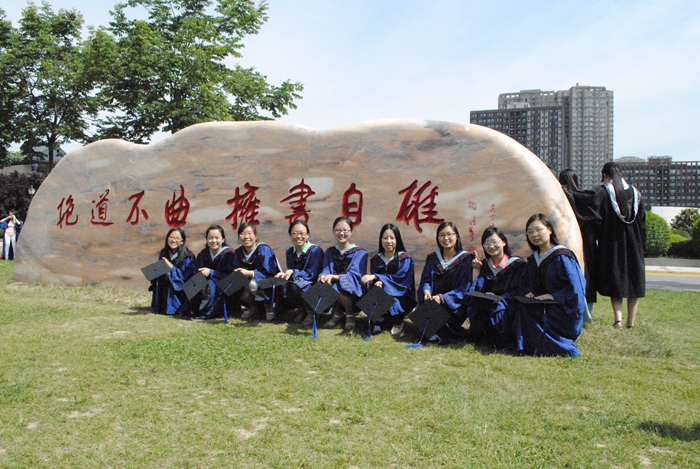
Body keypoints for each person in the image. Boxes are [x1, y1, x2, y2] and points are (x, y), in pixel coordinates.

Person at [518, 214, 586, 357]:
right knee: (522, 308)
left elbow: (575, 288)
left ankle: (561, 347)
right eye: (530, 232)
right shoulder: (533, 259)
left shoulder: (562, 255)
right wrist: (530, 292)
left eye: (538, 230)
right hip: (540, 304)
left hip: (561, 308)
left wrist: (553, 296)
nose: (534, 235)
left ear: (549, 229)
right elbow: (527, 283)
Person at [593, 162, 646, 329]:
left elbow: (596, 218)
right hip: (634, 244)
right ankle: (631, 322)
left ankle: (618, 320)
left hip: (612, 245)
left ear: (605, 175)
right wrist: (643, 246)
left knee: (616, 280)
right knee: (634, 281)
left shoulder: (603, 192)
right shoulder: (636, 193)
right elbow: (642, 223)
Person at [467, 227, 526, 346]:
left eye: (494, 242)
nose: (491, 246)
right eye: (487, 243)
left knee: (500, 308)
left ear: (503, 242)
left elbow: (518, 289)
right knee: (476, 305)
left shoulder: (516, 265)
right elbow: (477, 288)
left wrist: (499, 298)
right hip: (487, 301)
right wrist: (476, 270)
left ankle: (502, 339)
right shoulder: (484, 265)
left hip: (508, 301)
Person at [418, 222, 475, 342]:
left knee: (431, 327)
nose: (446, 238)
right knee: (424, 320)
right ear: (438, 238)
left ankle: (439, 331)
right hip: (433, 302)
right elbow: (426, 280)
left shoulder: (465, 259)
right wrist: (426, 290)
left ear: (456, 236)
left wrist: (442, 298)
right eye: (442, 235)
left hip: (452, 304)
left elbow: (463, 288)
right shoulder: (432, 258)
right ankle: (435, 331)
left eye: (449, 234)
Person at [361, 223, 417, 336]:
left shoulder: (405, 259)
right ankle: (378, 320)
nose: (388, 241)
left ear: (397, 239)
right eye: (385, 238)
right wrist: (378, 282)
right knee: (374, 293)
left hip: (402, 294)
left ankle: (397, 321)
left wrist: (377, 277)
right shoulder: (376, 259)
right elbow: (374, 281)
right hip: (382, 294)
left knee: (394, 297)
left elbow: (400, 280)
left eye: (392, 238)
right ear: (381, 239)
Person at [559, 169, 598, 321]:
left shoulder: (561, 197)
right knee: (587, 274)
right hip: (587, 242)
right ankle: (588, 309)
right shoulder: (587, 198)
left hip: (567, 241)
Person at [319, 216, 368, 330]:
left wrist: (335, 277)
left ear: (351, 231)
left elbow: (355, 275)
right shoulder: (330, 251)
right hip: (334, 286)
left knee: (336, 286)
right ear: (333, 231)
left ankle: (350, 313)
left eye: (345, 230)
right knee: (326, 284)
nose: (341, 233)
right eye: (338, 230)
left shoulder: (360, 253)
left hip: (353, 288)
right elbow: (325, 269)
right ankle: (337, 313)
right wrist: (323, 276)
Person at [274, 219, 324, 324]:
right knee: (281, 283)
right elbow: (291, 272)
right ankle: (301, 309)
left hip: (312, 285)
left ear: (307, 234)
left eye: (302, 233)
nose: (298, 236)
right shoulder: (290, 252)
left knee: (296, 285)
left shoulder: (315, 251)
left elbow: (312, 275)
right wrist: (284, 275)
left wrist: (294, 272)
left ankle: (311, 313)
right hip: (297, 283)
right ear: (290, 235)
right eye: (295, 233)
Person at [232, 222, 281, 321]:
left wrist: (250, 273)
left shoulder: (263, 249)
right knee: (234, 283)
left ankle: (268, 307)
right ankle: (254, 307)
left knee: (253, 284)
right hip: (249, 282)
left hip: (269, 282)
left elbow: (270, 272)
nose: (246, 237)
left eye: (249, 233)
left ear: (255, 236)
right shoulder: (239, 252)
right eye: (242, 234)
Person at [150, 228, 196, 316]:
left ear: (182, 241)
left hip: (180, 290)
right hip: (165, 285)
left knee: (170, 277)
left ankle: (175, 308)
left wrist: (171, 268)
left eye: (177, 238)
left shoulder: (188, 256)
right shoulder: (164, 252)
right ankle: (159, 306)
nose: (174, 240)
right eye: (171, 237)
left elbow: (186, 278)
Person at [193, 225, 235, 319]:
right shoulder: (203, 254)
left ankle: (210, 311)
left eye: (217, 238)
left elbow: (230, 278)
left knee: (211, 284)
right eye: (210, 238)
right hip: (205, 286)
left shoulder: (229, 254)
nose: (213, 241)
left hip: (223, 289)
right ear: (206, 239)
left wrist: (211, 272)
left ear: (223, 239)